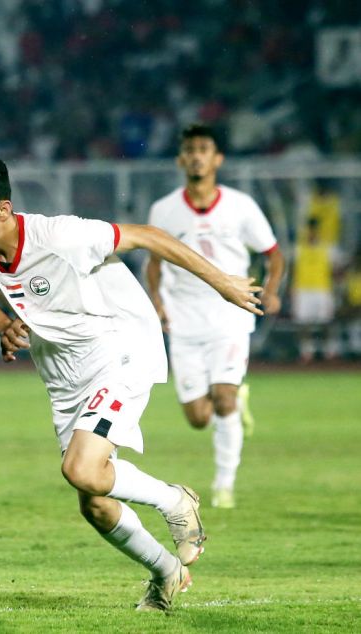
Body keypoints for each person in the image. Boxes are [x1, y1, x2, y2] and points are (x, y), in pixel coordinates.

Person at [0, 152, 263, 613]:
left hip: (118, 349)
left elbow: (149, 236)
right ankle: (167, 571)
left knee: (81, 469)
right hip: (63, 377)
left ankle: (175, 500)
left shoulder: (60, 236)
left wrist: (222, 283)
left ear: (4, 209)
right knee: (96, 501)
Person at [145, 123, 285, 510]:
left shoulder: (241, 206)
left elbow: (273, 253)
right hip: (184, 318)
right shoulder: (164, 209)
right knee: (198, 416)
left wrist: (270, 291)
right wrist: (156, 299)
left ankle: (225, 483)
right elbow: (154, 262)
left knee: (223, 400)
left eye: (204, 148)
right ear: (180, 159)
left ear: (217, 158)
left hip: (231, 314)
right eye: (189, 149)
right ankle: (236, 396)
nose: (196, 156)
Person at [292, 217, 341, 363]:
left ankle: (330, 350)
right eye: (309, 230)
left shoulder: (328, 248)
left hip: (322, 289)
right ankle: (307, 351)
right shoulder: (299, 249)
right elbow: (293, 270)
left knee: (327, 321)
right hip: (303, 289)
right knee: (303, 323)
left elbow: (336, 271)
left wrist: (336, 288)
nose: (312, 233)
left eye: (314, 230)